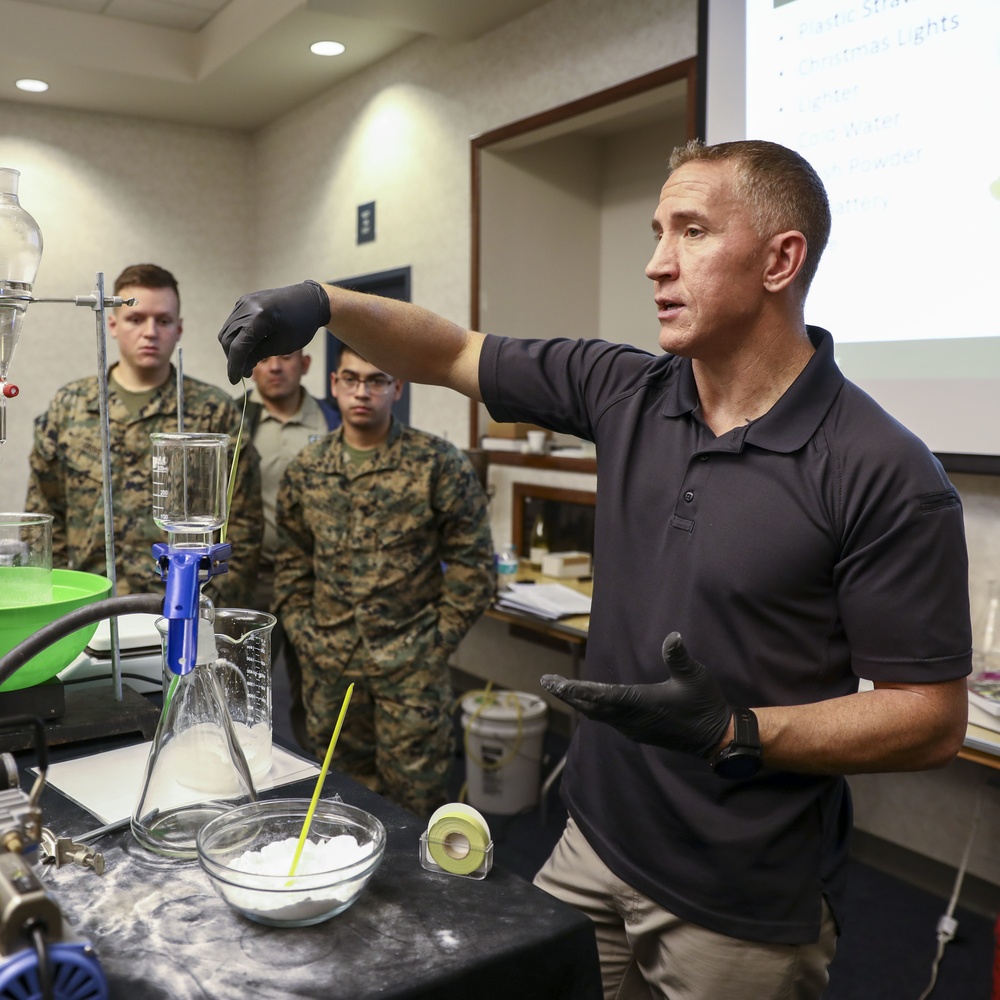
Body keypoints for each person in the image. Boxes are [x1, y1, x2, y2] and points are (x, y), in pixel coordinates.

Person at [216, 139, 972, 999]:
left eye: (691, 232)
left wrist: (738, 731)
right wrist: (322, 301)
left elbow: (930, 717)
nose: (657, 264)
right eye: (657, 232)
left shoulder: (883, 469)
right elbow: (452, 352)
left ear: (780, 259)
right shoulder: (631, 390)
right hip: (591, 839)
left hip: (739, 897)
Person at [270, 342, 495, 817]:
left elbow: (474, 565)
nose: (362, 392)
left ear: (397, 386)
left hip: (411, 665)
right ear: (334, 385)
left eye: (376, 380)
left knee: (415, 802)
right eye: (351, 379)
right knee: (340, 797)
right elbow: (291, 560)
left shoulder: (437, 463)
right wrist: (305, 634)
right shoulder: (308, 470)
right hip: (330, 664)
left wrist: (437, 643)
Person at [27, 263, 261, 607]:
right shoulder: (70, 406)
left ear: (179, 328)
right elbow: (45, 514)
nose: (150, 332)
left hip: (183, 606)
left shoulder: (213, 412)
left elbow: (244, 522)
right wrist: (61, 602)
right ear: (113, 323)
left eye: (163, 321)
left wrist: (205, 603)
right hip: (87, 607)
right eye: (136, 319)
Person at [245, 349, 340, 748]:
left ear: (305, 364)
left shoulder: (333, 420)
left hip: (316, 582)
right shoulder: (234, 421)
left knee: (317, 693)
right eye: (264, 358)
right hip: (253, 579)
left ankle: (319, 780)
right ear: (252, 366)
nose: (275, 366)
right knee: (243, 690)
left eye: (286, 356)